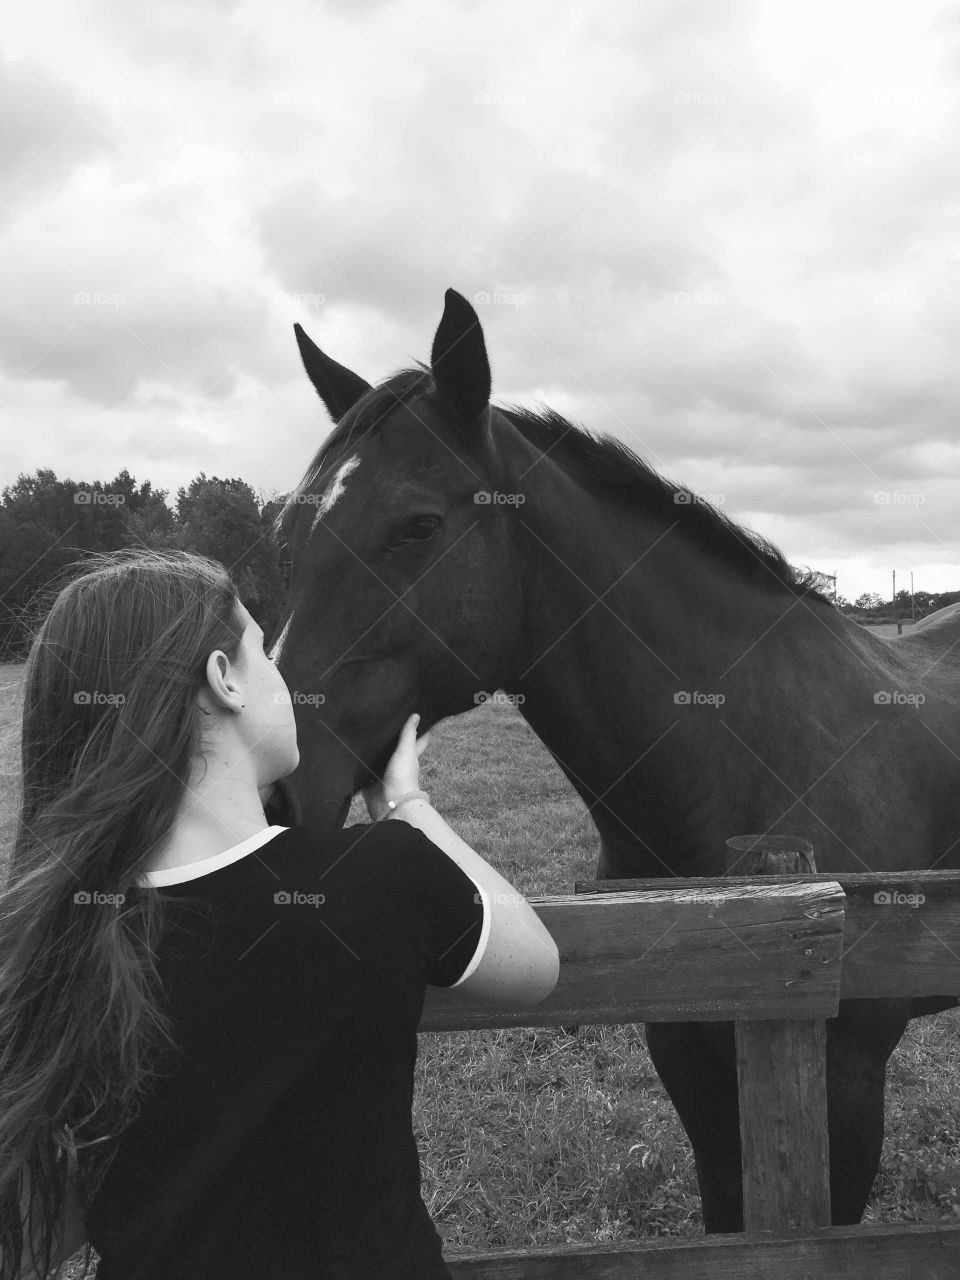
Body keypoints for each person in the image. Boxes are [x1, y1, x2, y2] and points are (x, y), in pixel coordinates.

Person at [0, 548, 559, 1280]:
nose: (283, 677)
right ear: (224, 680)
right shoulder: (381, 875)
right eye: (264, 650)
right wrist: (409, 807)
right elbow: (537, 966)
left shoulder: (54, 931)